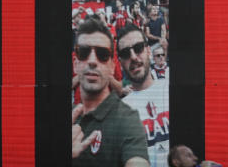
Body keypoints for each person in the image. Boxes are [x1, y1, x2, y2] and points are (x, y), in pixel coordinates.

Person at [72, 17, 151, 167]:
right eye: (84, 52)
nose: (92, 60)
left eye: (102, 54)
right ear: (75, 64)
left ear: (112, 66)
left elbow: (137, 161)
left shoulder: (128, 119)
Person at [116, 24, 170, 167]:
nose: (133, 57)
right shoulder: (119, 111)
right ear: (120, 62)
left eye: (138, 48)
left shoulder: (170, 90)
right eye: (126, 53)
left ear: (148, 51)